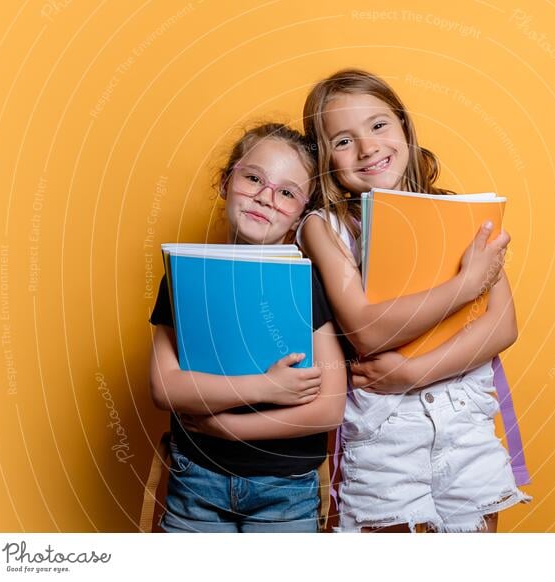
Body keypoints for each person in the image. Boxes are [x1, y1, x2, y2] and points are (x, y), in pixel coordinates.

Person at [297, 69, 531, 532]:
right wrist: (466, 285)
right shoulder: (324, 227)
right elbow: (365, 329)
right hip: (382, 433)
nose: (367, 148)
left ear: (404, 127)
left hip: (464, 422)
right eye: (343, 141)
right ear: (324, 158)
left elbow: (503, 325)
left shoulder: (460, 213)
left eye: (379, 125)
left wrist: (411, 372)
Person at [148, 123, 347, 533]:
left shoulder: (306, 282)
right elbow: (164, 388)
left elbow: (330, 406)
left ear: (301, 212)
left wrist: (228, 427)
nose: (265, 197)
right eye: (254, 178)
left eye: (287, 192)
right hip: (197, 479)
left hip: (286, 489)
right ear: (226, 181)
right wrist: (266, 388)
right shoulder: (185, 276)